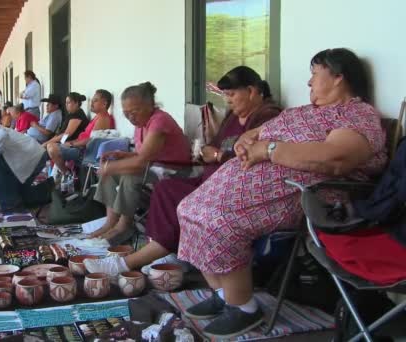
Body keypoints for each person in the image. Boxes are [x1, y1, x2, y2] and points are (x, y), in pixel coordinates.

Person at [175, 49, 387, 338]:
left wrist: (269, 150)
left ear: (339, 77)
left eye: (315, 74)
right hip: (255, 185)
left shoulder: (355, 114)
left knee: (218, 219)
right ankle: (224, 294)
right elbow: (256, 134)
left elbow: (337, 158)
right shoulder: (307, 112)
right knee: (187, 209)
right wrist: (246, 142)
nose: (309, 83)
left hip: (306, 195)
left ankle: (244, 307)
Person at [85, 66, 282, 277]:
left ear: (252, 92)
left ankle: (128, 261)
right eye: (225, 95)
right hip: (210, 177)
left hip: (227, 185)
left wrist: (217, 156)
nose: (228, 101)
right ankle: (169, 248)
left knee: (161, 188)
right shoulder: (233, 117)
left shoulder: (267, 118)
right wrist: (208, 152)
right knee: (166, 190)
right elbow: (212, 145)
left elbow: (254, 157)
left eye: (232, 94)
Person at [89, 82, 191, 244]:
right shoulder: (141, 124)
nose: (131, 117)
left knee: (130, 176)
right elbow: (143, 153)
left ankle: (124, 226)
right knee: (111, 174)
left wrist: (110, 167)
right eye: (126, 113)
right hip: (156, 167)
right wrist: (121, 154)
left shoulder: (159, 121)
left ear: (150, 105)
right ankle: (110, 222)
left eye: (134, 112)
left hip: (176, 171)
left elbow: (142, 161)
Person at [46, 89, 115, 174]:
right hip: (78, 146)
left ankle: (67, 174)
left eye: (95, 101)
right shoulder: (96, 117)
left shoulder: (103, 118)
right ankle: (59, 176)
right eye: (91, 100)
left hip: (84, 152)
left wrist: (70, 144)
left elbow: (91, 141)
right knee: (50, 148)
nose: (91, 103)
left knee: (52, 148)